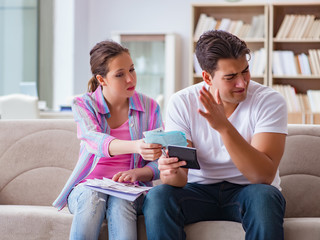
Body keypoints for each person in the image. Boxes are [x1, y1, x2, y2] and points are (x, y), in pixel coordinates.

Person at [143, 30, 288, 240]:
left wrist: (224, 127)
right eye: (230, 77)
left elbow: (262, 176)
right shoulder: (182, 102)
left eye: (245, 71)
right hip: (196, 190)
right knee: (158, 196)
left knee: (265, 197)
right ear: (207, 77)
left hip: (250, 191)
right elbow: (179, 179)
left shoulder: (269, 101)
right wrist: (168, 170)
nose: (242, 83)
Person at [52, 40, 163, 240]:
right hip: (87, 187)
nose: (130, 79)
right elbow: (94, 140)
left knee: (121, 202)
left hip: (131, 190)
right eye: (120, 74)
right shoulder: (83, 104)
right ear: (102, 80)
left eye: (132, 70)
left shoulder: (151, 107)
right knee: (92, 197)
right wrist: (137, 146)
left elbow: (160, 160)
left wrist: (138, 173)